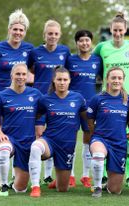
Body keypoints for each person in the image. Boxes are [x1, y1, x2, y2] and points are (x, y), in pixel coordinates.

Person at [0, 9, 33, 187]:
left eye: (22, 30)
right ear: (9, 29)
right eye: (15, 29)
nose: (18, 33)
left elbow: (34, 72)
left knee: (18, 134)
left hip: (20, 99)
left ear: (25, 32)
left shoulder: (29, 49)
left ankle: (15, 173)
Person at [93, 12, 129, 187]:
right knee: (105, 133)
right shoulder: (101, 47)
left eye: (121, 30)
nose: (118, 33)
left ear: (125, 29)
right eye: (115, 30)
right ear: (111, 30)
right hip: (107, 98)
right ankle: (104, 173)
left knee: (128, 135)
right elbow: (94, 66)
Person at [28, 66, 87, 197]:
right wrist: (37, 130)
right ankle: (35, 186)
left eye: (65, 79)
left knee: (63, 189)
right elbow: (35, 116)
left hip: (67, 146)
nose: (62, 82)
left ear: (70, 81)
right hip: (50, 141)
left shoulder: (78, 99)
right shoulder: (45, 99)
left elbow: (86, 119)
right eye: (59, 79)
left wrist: (91, 135)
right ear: (54, 81)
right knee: (36, 147)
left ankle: (59, 181)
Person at [28, 19, 71, 186]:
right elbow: (30, 70)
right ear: (44, 35)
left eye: (55, 34)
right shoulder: (35, 52)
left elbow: (65, 73)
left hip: (58, 101)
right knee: (37, 136)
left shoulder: (65, 52)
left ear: (59, 35)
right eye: (49, 34)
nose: (52, 36)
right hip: (39, 100)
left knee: (53, 134)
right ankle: (31, 174)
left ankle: (47, 175)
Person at [0, 63, 42, 196]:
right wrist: (0, 134)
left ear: (27, 76)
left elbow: (43, 113)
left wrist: (40, 132)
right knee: (3, 150)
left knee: (21, 189)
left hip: (27, 142)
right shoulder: (1, 96)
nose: (21, 77)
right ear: (12, 75)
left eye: (24, 74)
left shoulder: (35, 94)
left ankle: (15, 181)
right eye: (18, 74)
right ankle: (3, 185)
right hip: (10, 138)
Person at [65, 30, 102, 188]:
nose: (84, 43)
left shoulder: (97, 60)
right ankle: (71, 175)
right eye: (81, 41)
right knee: (70, 140)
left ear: (91, 42)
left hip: (90, 106)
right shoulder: (70, 60)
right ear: (77, 43)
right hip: (71, 106)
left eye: (87, 40)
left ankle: (85, 176)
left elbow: (105, 77)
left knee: (88, 138)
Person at [88, 67, 129, 197]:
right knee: (98, 154)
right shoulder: (97, 99)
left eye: (119, 78)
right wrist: (95, 135)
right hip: (101, 139)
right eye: (113, 78)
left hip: (119, 143)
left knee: (115, 190)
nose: (116, 80)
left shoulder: (127, 99)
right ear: (107, 79)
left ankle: (107, 185)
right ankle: (97, 187)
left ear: (123, 80)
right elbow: (90, 120)